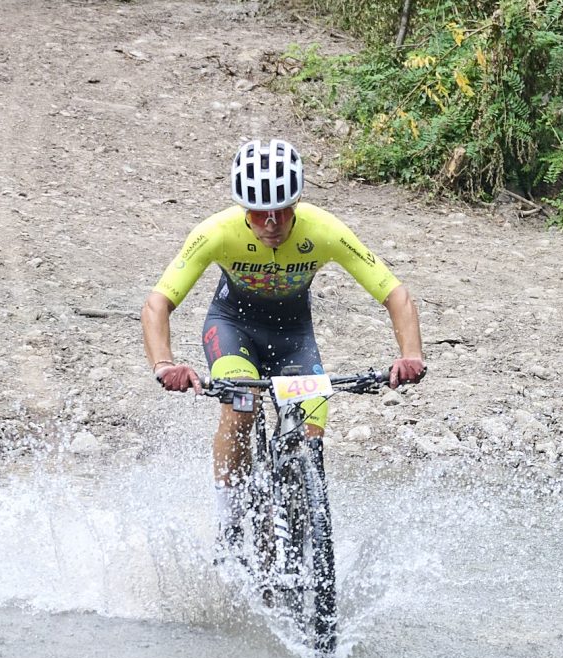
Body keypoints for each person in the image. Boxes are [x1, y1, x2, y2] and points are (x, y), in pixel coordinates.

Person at [141, 138, 425, 552]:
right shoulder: (215, 232)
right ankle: (230, 521)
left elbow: (395, 295)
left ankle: (300, 528)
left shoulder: (324, 230)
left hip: (294, 339)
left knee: (310, 432)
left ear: (297, 203)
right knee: (241, 407)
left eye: (282, 211)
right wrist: (164, 364)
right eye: (259, 214)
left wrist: (411, 355)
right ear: (244, 209)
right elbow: (156, 305)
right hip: (232, 329)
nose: (271, 223)